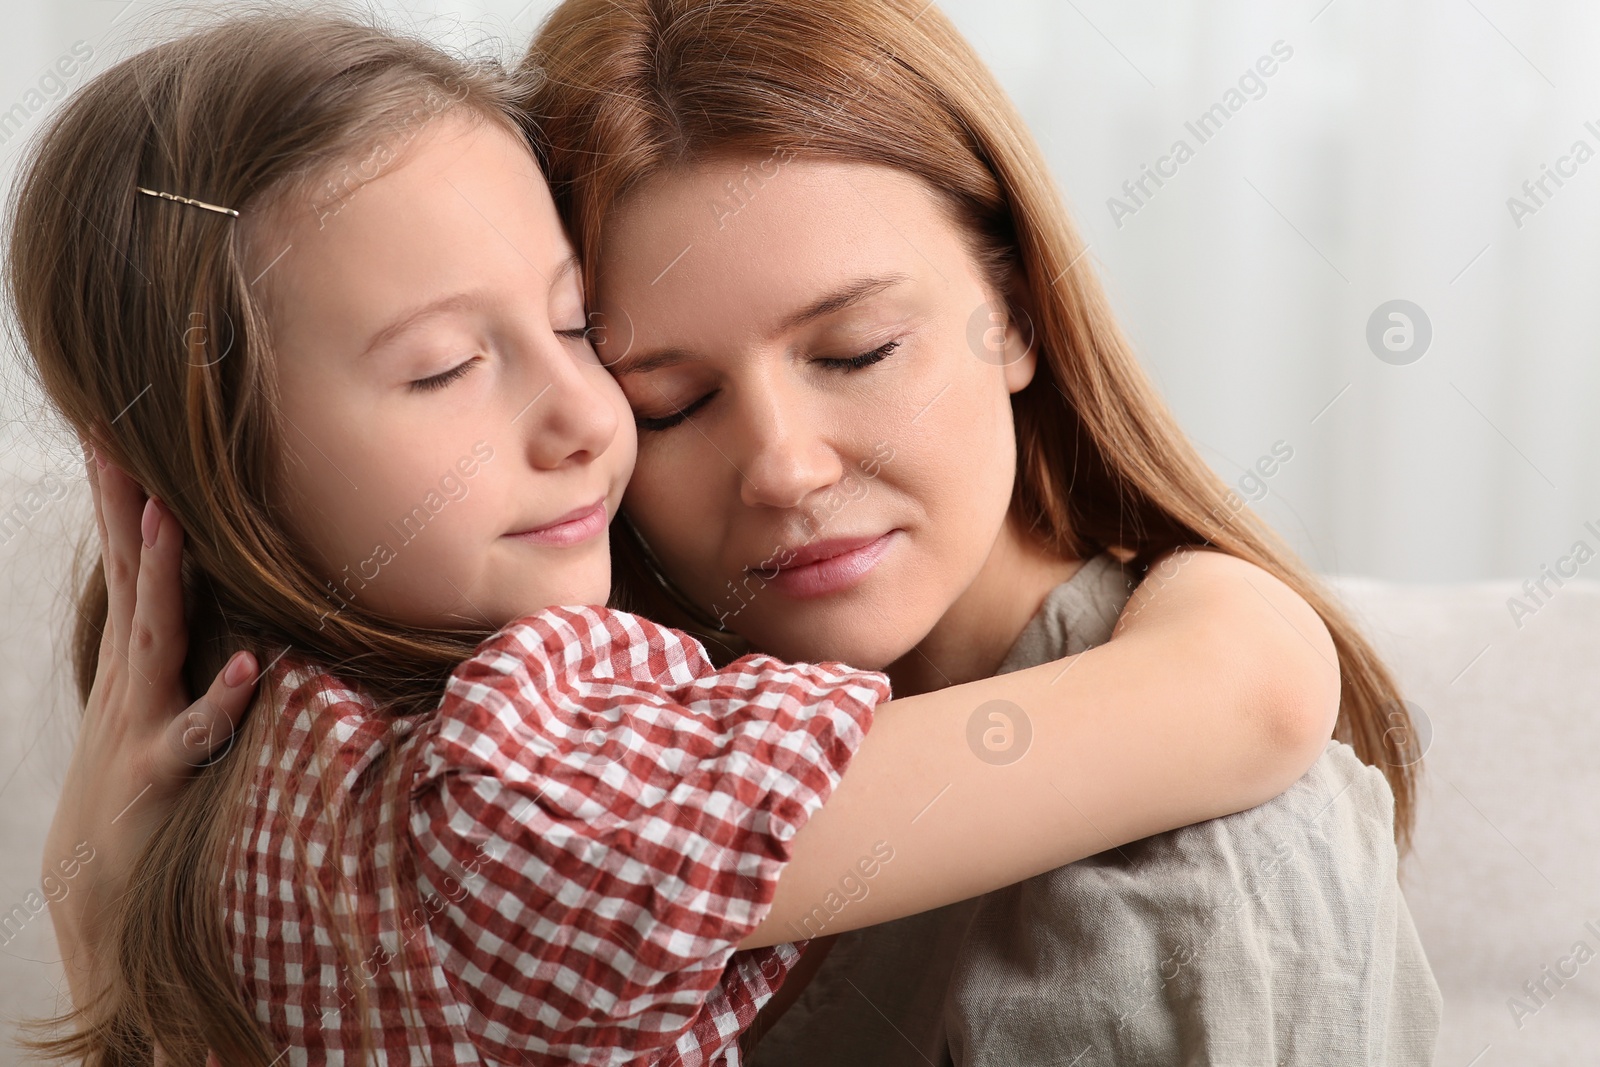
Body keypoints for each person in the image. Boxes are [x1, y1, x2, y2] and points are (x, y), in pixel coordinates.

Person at [20, 11, 1336, 1065]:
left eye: (577, 330)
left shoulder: (263, 771)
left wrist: (95, 921)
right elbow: (1255, 688)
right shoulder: (523, 777)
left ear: (1017, 301)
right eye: (673, 395)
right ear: (216, 474)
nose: (590, 417)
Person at [525, 0, 1439, 1060]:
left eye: (858, 350)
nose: (782, 465)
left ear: (1012, 310)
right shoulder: (573, 766)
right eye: (669, 403)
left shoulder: (1193, 850)